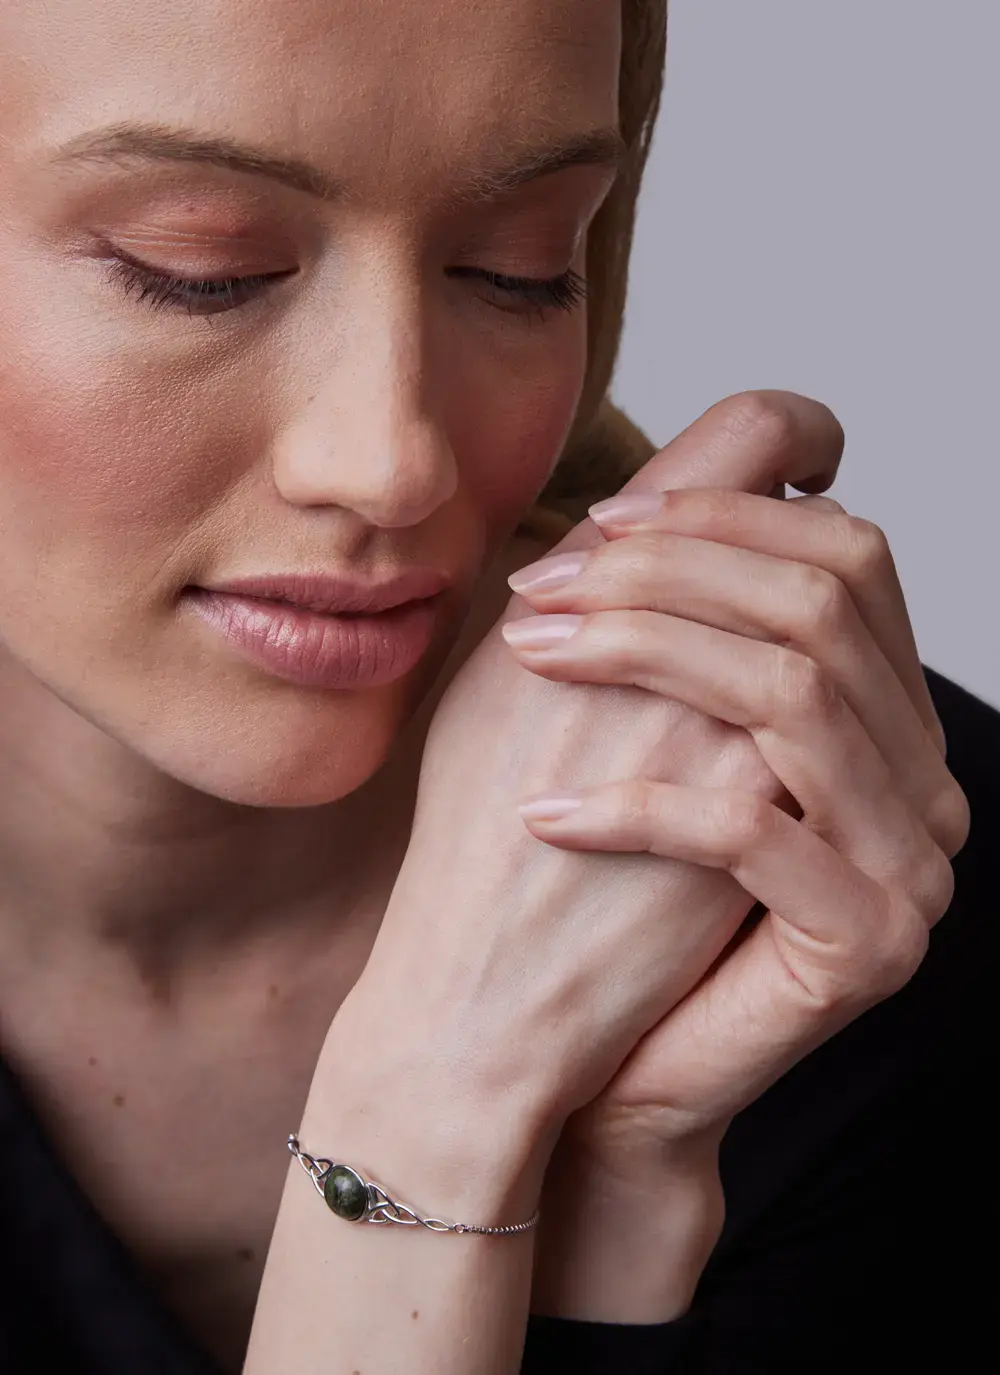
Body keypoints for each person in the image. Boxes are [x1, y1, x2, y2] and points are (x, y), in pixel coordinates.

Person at [0, 1, 993, 1372]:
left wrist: (616, 1198)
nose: (394, 459)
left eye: (520, 270)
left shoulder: (856, 872)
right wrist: (439, 1121)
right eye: (200, 269)